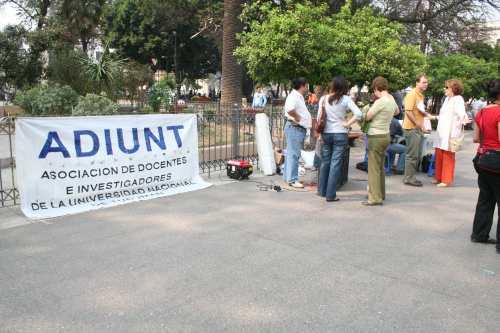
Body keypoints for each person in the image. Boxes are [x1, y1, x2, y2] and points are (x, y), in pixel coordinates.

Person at [317, 76, 362, 201]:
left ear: (332, 85)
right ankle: (330, 195)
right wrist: (347, 124)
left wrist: (320, 134)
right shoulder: (345, 99)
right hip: (340, 134)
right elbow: (359, 114)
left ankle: (322, 190)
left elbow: (319, 118)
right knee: (335, 164)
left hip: (326, 134)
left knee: (325, 162)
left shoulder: (323, 99)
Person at [471, 79, 500, 253]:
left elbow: (476, 138)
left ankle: (479, 234)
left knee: (485, 199)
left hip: (483, 159)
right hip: (497, 160)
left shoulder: (482, 111)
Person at [363, 77, 399, 206]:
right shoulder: (391, 99)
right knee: (380, 167)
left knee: (373, 169)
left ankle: (374, 198)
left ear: (377, 88)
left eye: (375, 91)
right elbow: (397, 111)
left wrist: (367, 109)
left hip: (375, 136)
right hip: (386, 135)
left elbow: (368, 117)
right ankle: (381, 193)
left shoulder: (380, 101)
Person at [402, 74, 436, 187]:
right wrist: (417, 124)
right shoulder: (412, 94)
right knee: (412, 155)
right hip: (411, 128)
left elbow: (419, 112)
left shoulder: (420, 95)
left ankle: (410, 177)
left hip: (417, 128)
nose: (426, 84)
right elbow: (408, 111)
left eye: (426, 82)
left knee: (415, 155)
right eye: (423, 82)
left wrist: (424, 124)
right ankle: (409, 178)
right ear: (417, 83)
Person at [433, 79, 468, 187]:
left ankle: (446, 179)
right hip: (441, 131)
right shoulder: (447, 99)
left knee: (447, 156)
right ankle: (438, 177)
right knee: (439, 154)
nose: (445, 89)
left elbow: (462, 113)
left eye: (447, 87)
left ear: (453, 89)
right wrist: (433, 117)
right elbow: (444, 115)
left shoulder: (458, 99)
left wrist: (464, 119)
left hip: (450, 132)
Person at [283, 77, 312, 188]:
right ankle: (293, 179)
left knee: (291, 154)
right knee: (294, 154)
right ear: (302, 85)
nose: (307, 87)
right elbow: (290, 109)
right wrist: (298, 118)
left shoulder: (297, 96)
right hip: (295, 127)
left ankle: (288, 177)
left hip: (296, 128)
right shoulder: (294, 96)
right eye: (307, 85)